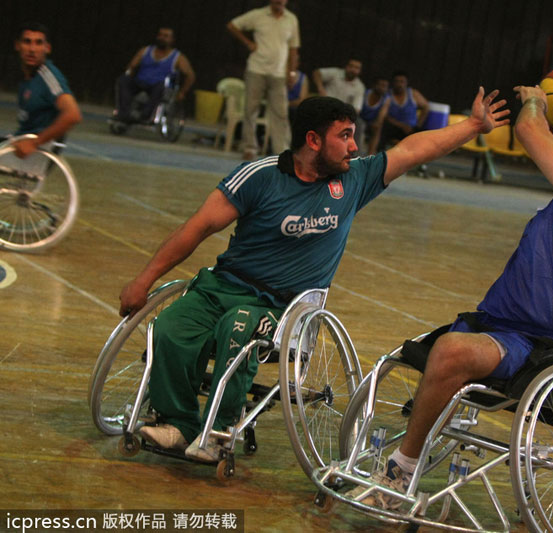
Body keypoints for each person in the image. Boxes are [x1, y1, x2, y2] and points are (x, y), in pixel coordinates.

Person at [117, 88, 509, 463]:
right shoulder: (260, 176)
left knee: (239, 327)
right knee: (169, 326)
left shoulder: (353, 180)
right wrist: (142, 280)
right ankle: (177, 422)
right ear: (313, 140)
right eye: (345, 136)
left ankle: (220, 432)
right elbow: (196, 228)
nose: (355, 146)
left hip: (284, 307)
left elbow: (414, 149)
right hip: (224, 285)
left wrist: (473, 126)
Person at [352, 84, 553, 508]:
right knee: (435, 347)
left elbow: (528, 129)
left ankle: (400, 473)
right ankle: (418, 437)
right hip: (504, 327)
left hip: (528, 344)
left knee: (449, 353)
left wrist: (538, 100)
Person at [226, 0, 300, 160]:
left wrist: (292, 71)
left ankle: (282, 150)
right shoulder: (258, 15)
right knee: (251, 108)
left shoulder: (291, 19)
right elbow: (232, 25)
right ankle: (249, 147)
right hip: (256, 69)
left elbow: (294, 47)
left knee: (281, 112)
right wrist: (248, 43)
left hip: (279, 72)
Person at [9, 22, 81, 159]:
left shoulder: (48, 76)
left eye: (38, 43)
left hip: (37, 151)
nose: (32, 49)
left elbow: (73, 115)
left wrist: (34, 143)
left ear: (47, 48)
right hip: (19, 142)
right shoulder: (28, 77)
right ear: (17, 45)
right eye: (27, 42)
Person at [114, 27, 195, 125]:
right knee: (123, 80)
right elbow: (132, 66)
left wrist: (182, 93)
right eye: (160, 35)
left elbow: (190, 76)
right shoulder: (145, 51)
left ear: (172, 40)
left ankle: (145, 115)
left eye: (166, 36)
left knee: (160, 87)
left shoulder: (178, 57)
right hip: (141, 82)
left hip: (160, 86)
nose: (162, 38)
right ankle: (124, 113)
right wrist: (129, 74)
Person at [374, 70, 429, 151]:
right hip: (394, 127)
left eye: (402, 82)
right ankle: (380, 155)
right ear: (393, 83)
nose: (399, 84)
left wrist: (418, 125)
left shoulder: (413, 94)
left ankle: (419, 161)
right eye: (397, 81)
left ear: (406, 83)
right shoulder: (387, 95)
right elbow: (384, 115)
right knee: (382, 128)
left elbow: (426, 107)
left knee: (425, 134)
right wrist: (402, 126)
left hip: (411, 128)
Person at [360, 76, 390, 155]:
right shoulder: (365, 93)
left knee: (378, 127)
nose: (382, 88)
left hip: (372, 122)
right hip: (360, 119)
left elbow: (382, 114)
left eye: (385, 86)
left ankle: (370, 155)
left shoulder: (386, 98)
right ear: (375, 85)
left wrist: (377, 123)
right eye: (381, 85)